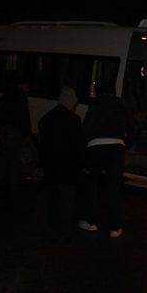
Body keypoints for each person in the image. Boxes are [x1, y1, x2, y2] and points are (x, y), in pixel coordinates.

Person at [79, 82, 129, 238]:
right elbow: (132, 127)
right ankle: (115, 227)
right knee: (114, 187)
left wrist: (85, 148)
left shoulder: (95, 104)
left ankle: (90, 221)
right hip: (117, 148)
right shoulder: (122, 105)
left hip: (96, 146)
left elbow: (86, 127)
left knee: (92, 184)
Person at [38, 87, 85, 243]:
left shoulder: (46, 119)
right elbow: (79, 147)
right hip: (68, 169)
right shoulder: (74, 120)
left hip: (51, 167)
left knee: (52, 198)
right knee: (66, 201)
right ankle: (63, 232)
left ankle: (48, 228)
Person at [0, 76, 31, 195]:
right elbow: (24, 117)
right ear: (21, 85)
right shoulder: (21, 97)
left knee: (4, 156)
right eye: (27, 86)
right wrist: (26, 133)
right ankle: (13, 185)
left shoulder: (5, 95)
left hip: (4, 129)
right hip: (14, 131)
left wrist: (1, 127)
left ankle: (2, 182)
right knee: (15, 158)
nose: (28, 89)